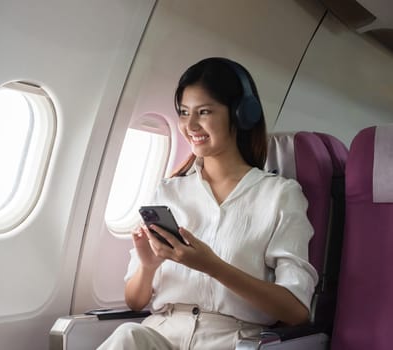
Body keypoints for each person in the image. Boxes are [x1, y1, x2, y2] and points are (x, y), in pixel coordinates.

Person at [97, 57, 318, 349]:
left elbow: (296, 311)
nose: (189, 125)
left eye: (204, 112)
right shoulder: (167, 192)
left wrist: (212, 266)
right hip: (162, 333)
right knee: (127, 336)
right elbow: (135, 300)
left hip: (232, 340)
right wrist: (148, 266)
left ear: (241, 115)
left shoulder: (280, 196)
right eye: (184, 113)